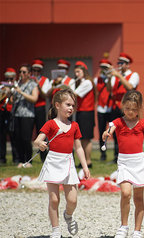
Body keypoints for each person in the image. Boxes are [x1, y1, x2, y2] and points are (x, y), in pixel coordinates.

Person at [102, 90, 144, 238]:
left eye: (134, 109)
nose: (130, 112)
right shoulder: (117, 122)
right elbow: (108, 131)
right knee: (126, 193)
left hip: (139, 162)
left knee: (139, 198)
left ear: (139, 109)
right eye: (127, 108)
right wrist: (106, 134)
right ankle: (123, 226)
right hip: (124, 163)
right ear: (123, 107)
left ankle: (137, 230)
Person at [34, 88, 90, 238]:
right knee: (54, 199)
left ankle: (68, 215)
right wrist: (41, 144)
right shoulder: (51, 124)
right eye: (68, 104)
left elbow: (78, 147)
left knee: (72, 200)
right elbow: (37, 140)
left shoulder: (74, 126)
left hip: (68, 163)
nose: (71, 108)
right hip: (53, 162)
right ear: (57, 105)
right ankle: (56, 230)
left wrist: (84, 166)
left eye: (73, 105)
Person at [109, 53, 140, 163]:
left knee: (127, 131)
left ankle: (127, 154)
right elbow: (110, 90)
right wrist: (109, 79)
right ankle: (116, 155)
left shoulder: (134, 75)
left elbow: (130, 87)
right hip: (116, 106)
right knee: (116, 131)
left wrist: (118, 76)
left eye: (121, 63)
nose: (119, 65)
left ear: (127, 65)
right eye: (118, 63)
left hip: (128, 108)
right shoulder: (117, 76)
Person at [11, 64, 39, 167]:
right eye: (20, 72)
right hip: (17, 114)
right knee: (17, 138)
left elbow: (34, 98)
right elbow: (12, 101)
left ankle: (28, 161)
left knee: (26, 138)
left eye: (24, 72)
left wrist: (21, 92)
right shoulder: (18, 84)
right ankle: (20, 160)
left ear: (29, 74)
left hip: (28, 115)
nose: (21, 74)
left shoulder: (32, 84)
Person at [94, 59, 120, 161]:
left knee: (113, 132)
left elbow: (110, 89)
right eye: (103, 68)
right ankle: (103, 154)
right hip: (101, 108)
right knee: (101, 131)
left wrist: (109, 77)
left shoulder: (113, 79)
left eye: (106, 68)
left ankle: (116, 154)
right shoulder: (97, 79)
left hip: (111, 108)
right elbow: (97, 93)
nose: (104, 70)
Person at [73, 61, 96, 168]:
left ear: (84, 71)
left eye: (78, 71)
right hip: (81, 112)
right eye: (75, 72)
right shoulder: (81, 82)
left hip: (86, 113)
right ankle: (84, 161)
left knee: (86, 138)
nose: (76, 74)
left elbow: (75, 94)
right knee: (82, 138)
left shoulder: (87, 82)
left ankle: (88, 161)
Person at [31, 59, 51, 162]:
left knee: (42, 131)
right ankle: (27, 157)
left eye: (38, 71)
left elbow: (45, 95)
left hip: (40, 107)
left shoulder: (45, 80)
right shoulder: (28, 79)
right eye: (34, 70)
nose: (35, 72)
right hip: (29, 108)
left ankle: (44, 156)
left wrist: (37, 85)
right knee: (28, 133)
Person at [0, 68, 18, 165]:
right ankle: (2, 158)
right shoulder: (2, 87)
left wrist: (11, 94)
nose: (9, 81)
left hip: (13, 113)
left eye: (11, 79)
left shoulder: (17, 87)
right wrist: (4, 93)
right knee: (2, 136)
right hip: (2, 112)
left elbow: (14, 101)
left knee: (13, 136)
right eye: (7, 79)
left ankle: (16, 158)